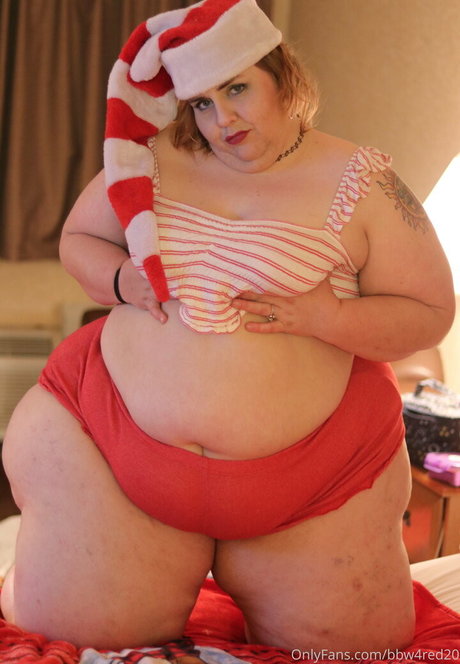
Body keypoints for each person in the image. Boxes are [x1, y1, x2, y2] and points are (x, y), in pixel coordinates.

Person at [1, 0, 455, 655]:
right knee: (75, 631)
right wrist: (123, 280)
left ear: (283, 74)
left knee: (352, 650)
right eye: (202, 104)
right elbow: (79, 239)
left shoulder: (363, 182)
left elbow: (430, 311)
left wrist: (330, 317)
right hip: (114, 452)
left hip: (312, 479)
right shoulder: (150, 158)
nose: (222, 121)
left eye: (237, 89)